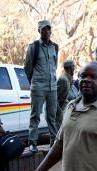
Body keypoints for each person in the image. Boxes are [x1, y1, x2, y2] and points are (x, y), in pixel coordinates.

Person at [24, 20, 59, 152]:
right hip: (38, 86)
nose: (47, 31)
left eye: (49, 29)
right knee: (35, 115)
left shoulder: (55, 47)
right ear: (39, 31)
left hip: (52, 87)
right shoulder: (34, 46)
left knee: (52, 115)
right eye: (44, 29)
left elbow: (54, 66)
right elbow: (27, 67)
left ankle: (54, 141)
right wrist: (34, 82)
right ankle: (32, 142)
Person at [56, 59, 79, 130]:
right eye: (73, 67)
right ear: (69, 68)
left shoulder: (68, 79)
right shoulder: (63, 80)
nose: (74, 69)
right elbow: (58, 98)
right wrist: (60, 113)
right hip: (63, 113)